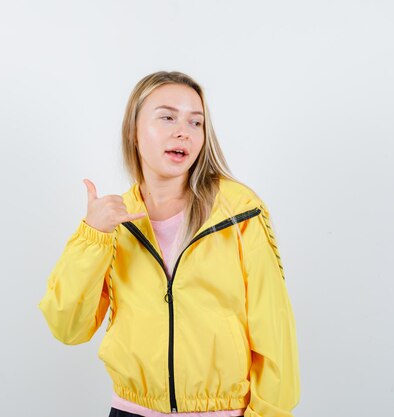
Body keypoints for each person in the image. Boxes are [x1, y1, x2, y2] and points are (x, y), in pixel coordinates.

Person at [38, 71, 300, 417]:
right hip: (132, 410)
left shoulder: (240, 211)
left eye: (196, 123)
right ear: (133, 130)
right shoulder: (114, 222)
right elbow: (68, 327)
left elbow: (274, 330)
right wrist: (93, 235)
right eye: (167, 117)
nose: (183, 132)